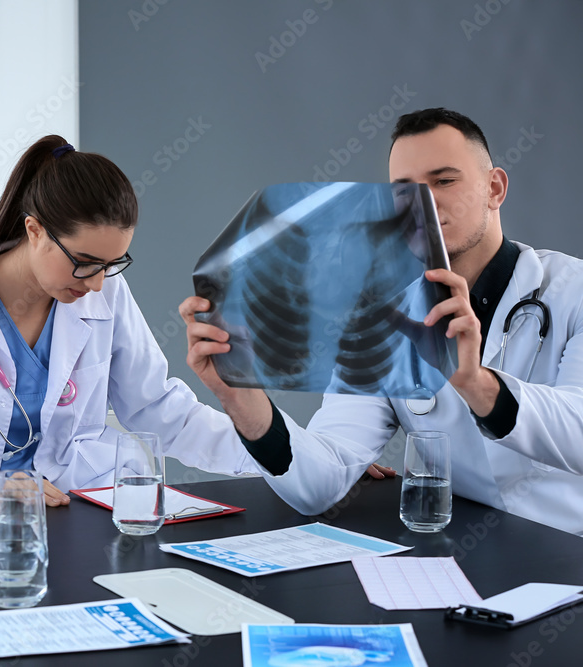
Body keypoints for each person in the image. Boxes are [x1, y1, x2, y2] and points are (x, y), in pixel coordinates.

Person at [181, 107, 583, 535]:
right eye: (404, 192)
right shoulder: (383, 320)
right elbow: (322, 479)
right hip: (468, 549)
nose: (424, 204)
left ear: (494, 188)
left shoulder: (571, 290)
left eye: (444, 181)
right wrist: (240, 396)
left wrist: (475, 382)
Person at [0, 135, 262, 507]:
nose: (95, 284)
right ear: (34, 230)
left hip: (94, 504)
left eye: (111, 265)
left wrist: (272, 451)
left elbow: (157, 407)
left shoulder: (108, 291)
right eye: (84, 263)